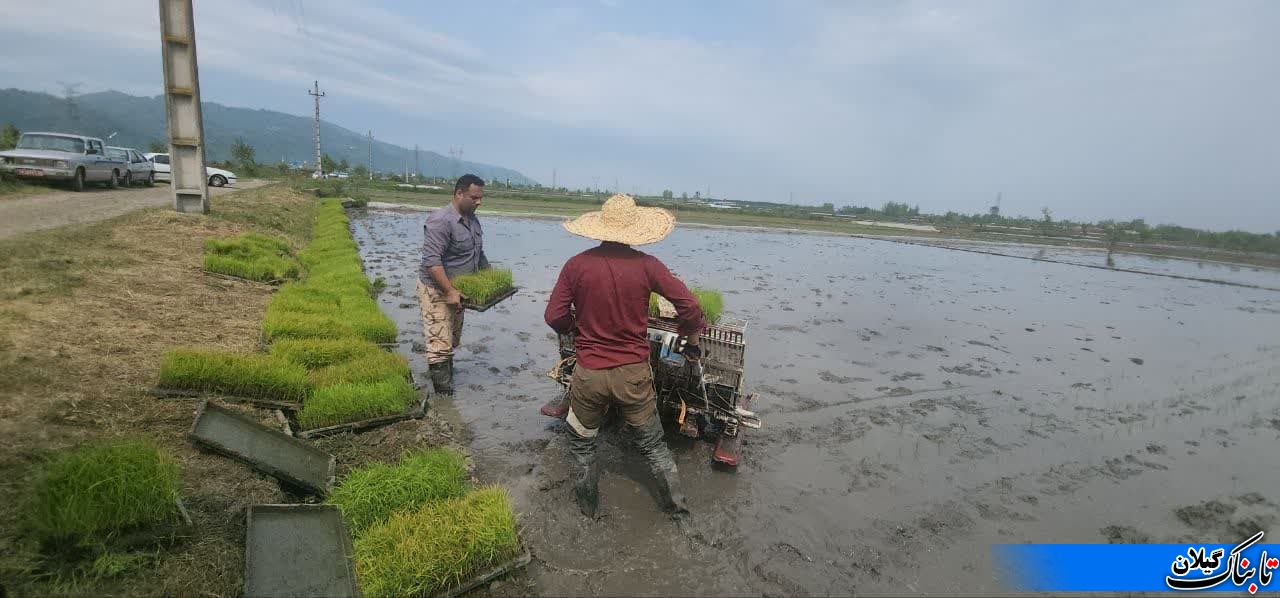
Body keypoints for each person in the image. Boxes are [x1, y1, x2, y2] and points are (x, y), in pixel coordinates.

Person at [544, 194, 705, 521]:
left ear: (600, 227)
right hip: (633, 375)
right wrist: (691, 335)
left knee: (582, 445)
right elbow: (690, 307)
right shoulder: (648, 266)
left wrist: (576, 327)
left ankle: (588, 514)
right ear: (634, 230)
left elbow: (554, 315)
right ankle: (680, 514)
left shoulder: (577, 265)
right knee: (654, 447)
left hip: (589, 373)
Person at [418, 174, 488, 396]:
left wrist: (493, 280)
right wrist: (449, 290)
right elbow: (432, 261)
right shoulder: (441, 220)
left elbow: (478, 253)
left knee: (452, 339)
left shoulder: (472, 219)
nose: (479, 202)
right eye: (474, 197)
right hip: (437, 290)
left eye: (481, 198)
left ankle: (446, 376)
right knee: (439, 342)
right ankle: (444, 397)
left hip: (459, 291)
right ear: (459, 194)